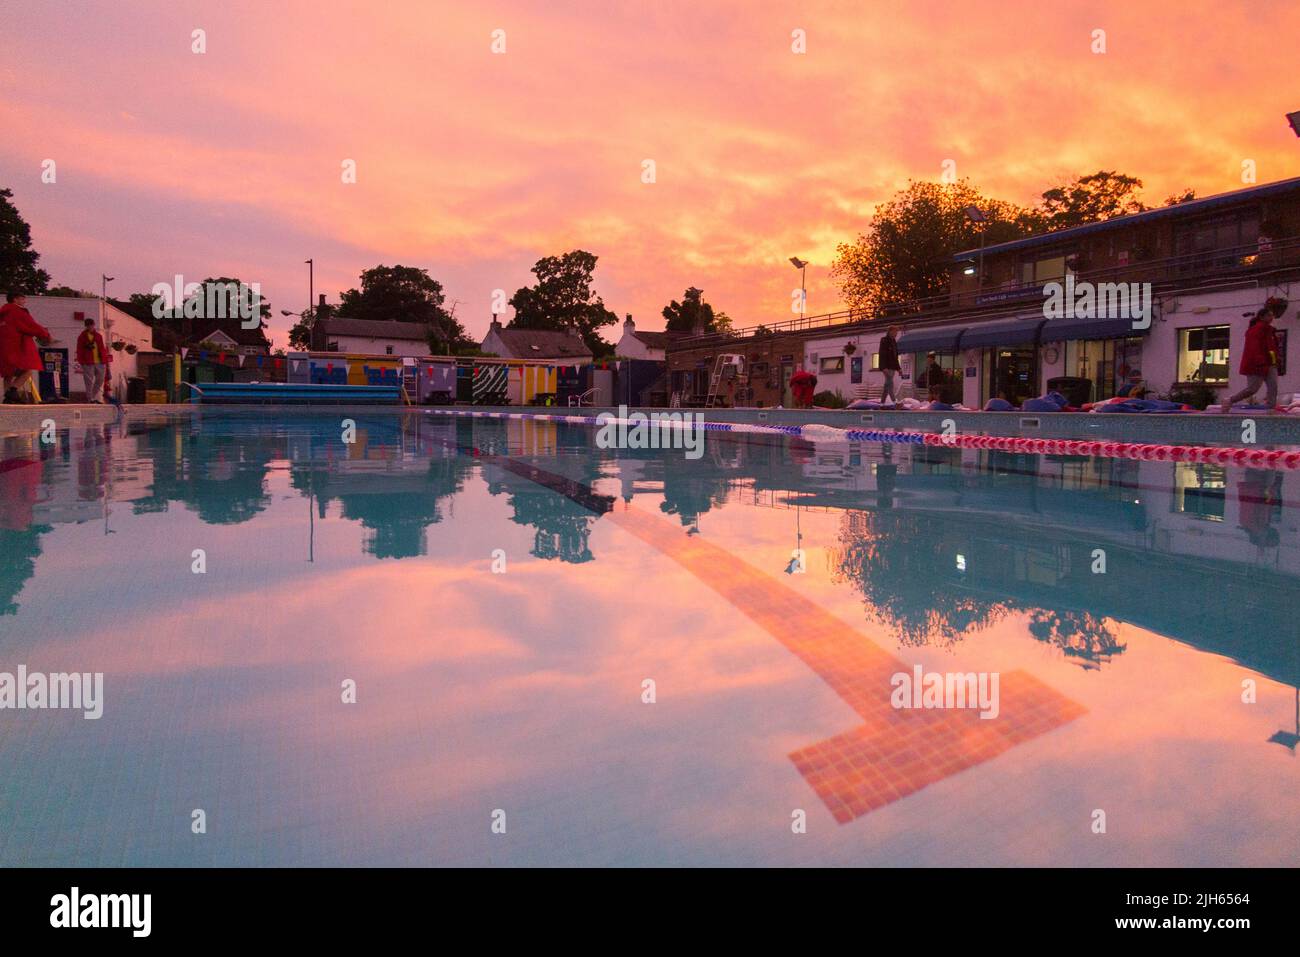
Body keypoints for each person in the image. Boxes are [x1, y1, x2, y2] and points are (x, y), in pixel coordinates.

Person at [1221, 308, 1279, 411]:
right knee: (1252, 389)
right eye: (1269, 315)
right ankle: (1230, 400)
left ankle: (1271, 408)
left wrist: (1277, 360)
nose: (1271, 318)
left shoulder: (1270, 331)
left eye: (1272, 315)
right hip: (1257, 364)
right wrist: (1260, 361)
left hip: (1270, 363)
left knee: (1273, 387)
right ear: (1262, 317)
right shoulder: (1255, 330)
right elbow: (1253, 347)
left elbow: (1272, 348)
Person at [0, 292, 53, 404]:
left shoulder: (3, 313)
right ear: (15, 299)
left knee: (8, 373)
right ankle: (12, 390)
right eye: (22, 299)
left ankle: (8, 397)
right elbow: (31, 325)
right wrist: (46, 334)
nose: (24, 301)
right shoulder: (18, 312)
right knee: (27, 370)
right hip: (17, 346)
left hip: (3, 347)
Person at [75, 316, 109, 403]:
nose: (90, 327)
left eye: (91, 325)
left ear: (94, 325)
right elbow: (79, 349)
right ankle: (90, 398)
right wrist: (81, 361)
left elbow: (102, 348)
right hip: (87, 362)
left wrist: (105, 359)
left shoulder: (98, 336)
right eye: (88, 326)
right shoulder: (82, 337)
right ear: (86, 326)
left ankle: (92, 396)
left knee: (100, 379)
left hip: (100, 361)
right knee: (89, 381)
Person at [878, 325, 901, 402]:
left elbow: (895, 357)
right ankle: (894, 401)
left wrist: (898, 368)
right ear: (890, 332)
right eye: (895, 332)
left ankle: (882, 402)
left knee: (887, 384)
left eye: (896, 332)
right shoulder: (884, 340)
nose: (896, 334)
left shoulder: (894, 342)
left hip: (892, 367)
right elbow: (882, 354)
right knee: (890, 383)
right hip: (887, 366)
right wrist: (883, 367)